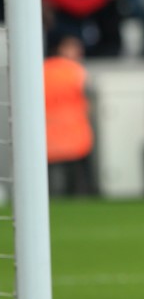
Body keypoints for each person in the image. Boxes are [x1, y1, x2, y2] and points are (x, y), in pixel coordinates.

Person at [44, 32, 96, 196]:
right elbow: (88, 99)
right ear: (60, 48)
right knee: (79, 179)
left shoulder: (42, 69)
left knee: (49, 179)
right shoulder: (77, 71)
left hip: (48, 134)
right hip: (76, 133)